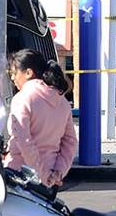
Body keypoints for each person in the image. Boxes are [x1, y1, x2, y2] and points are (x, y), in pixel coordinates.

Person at [6, 49, 77, 188]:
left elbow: (24, 141)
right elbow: (70, 142)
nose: (13, 78)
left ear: (28, 73)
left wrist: (42, 173)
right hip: (51, 179)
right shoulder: (62, 101)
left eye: (14, 73)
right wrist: (58, 172)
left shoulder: (23, 98)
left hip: (20, 175)